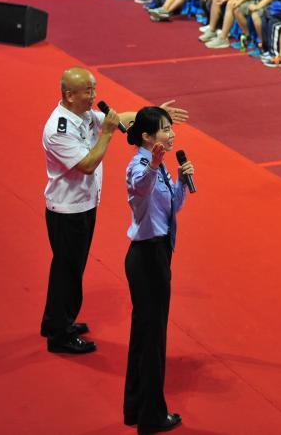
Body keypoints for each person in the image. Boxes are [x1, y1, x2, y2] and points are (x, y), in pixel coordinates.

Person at [41, 68, 187, 354]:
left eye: (94, 90)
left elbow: (120, 119)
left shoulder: (82, 114)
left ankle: (56, 320)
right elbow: (87, 164)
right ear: (69, 95)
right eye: (88, 92)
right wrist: (106, 134)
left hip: (83, 204)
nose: (94, 97)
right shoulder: (58, 128)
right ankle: (60, 333)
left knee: (70, 268)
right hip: (67, 209)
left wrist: (155, 114)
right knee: (68, 270)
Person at [123, 107, 193, 433]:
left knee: (144, 335)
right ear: (148, 136)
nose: (171, 134)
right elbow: (140, 189)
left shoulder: (159, 163)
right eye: (165, 129)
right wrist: (154, 165)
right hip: (147, 258)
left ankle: (136, 406)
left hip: (160, 251)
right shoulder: (140, 165)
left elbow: (171, 208)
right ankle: (152, 416)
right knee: (153, 341)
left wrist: (181, 181)